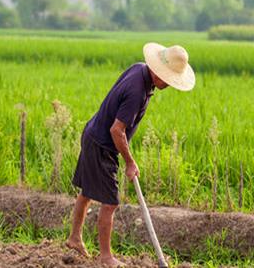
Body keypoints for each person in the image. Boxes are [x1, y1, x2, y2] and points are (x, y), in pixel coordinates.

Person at [66, 43, 196, 267]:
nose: (168, 85)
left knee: (87, 192)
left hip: (92, 134)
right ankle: (106, 257)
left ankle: (74, 238)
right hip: (102, 145)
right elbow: (117, 130)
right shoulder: (137, 91)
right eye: (168, 79)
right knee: (110, 203)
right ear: (158, 72)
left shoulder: (138, 69)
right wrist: (129, 162)